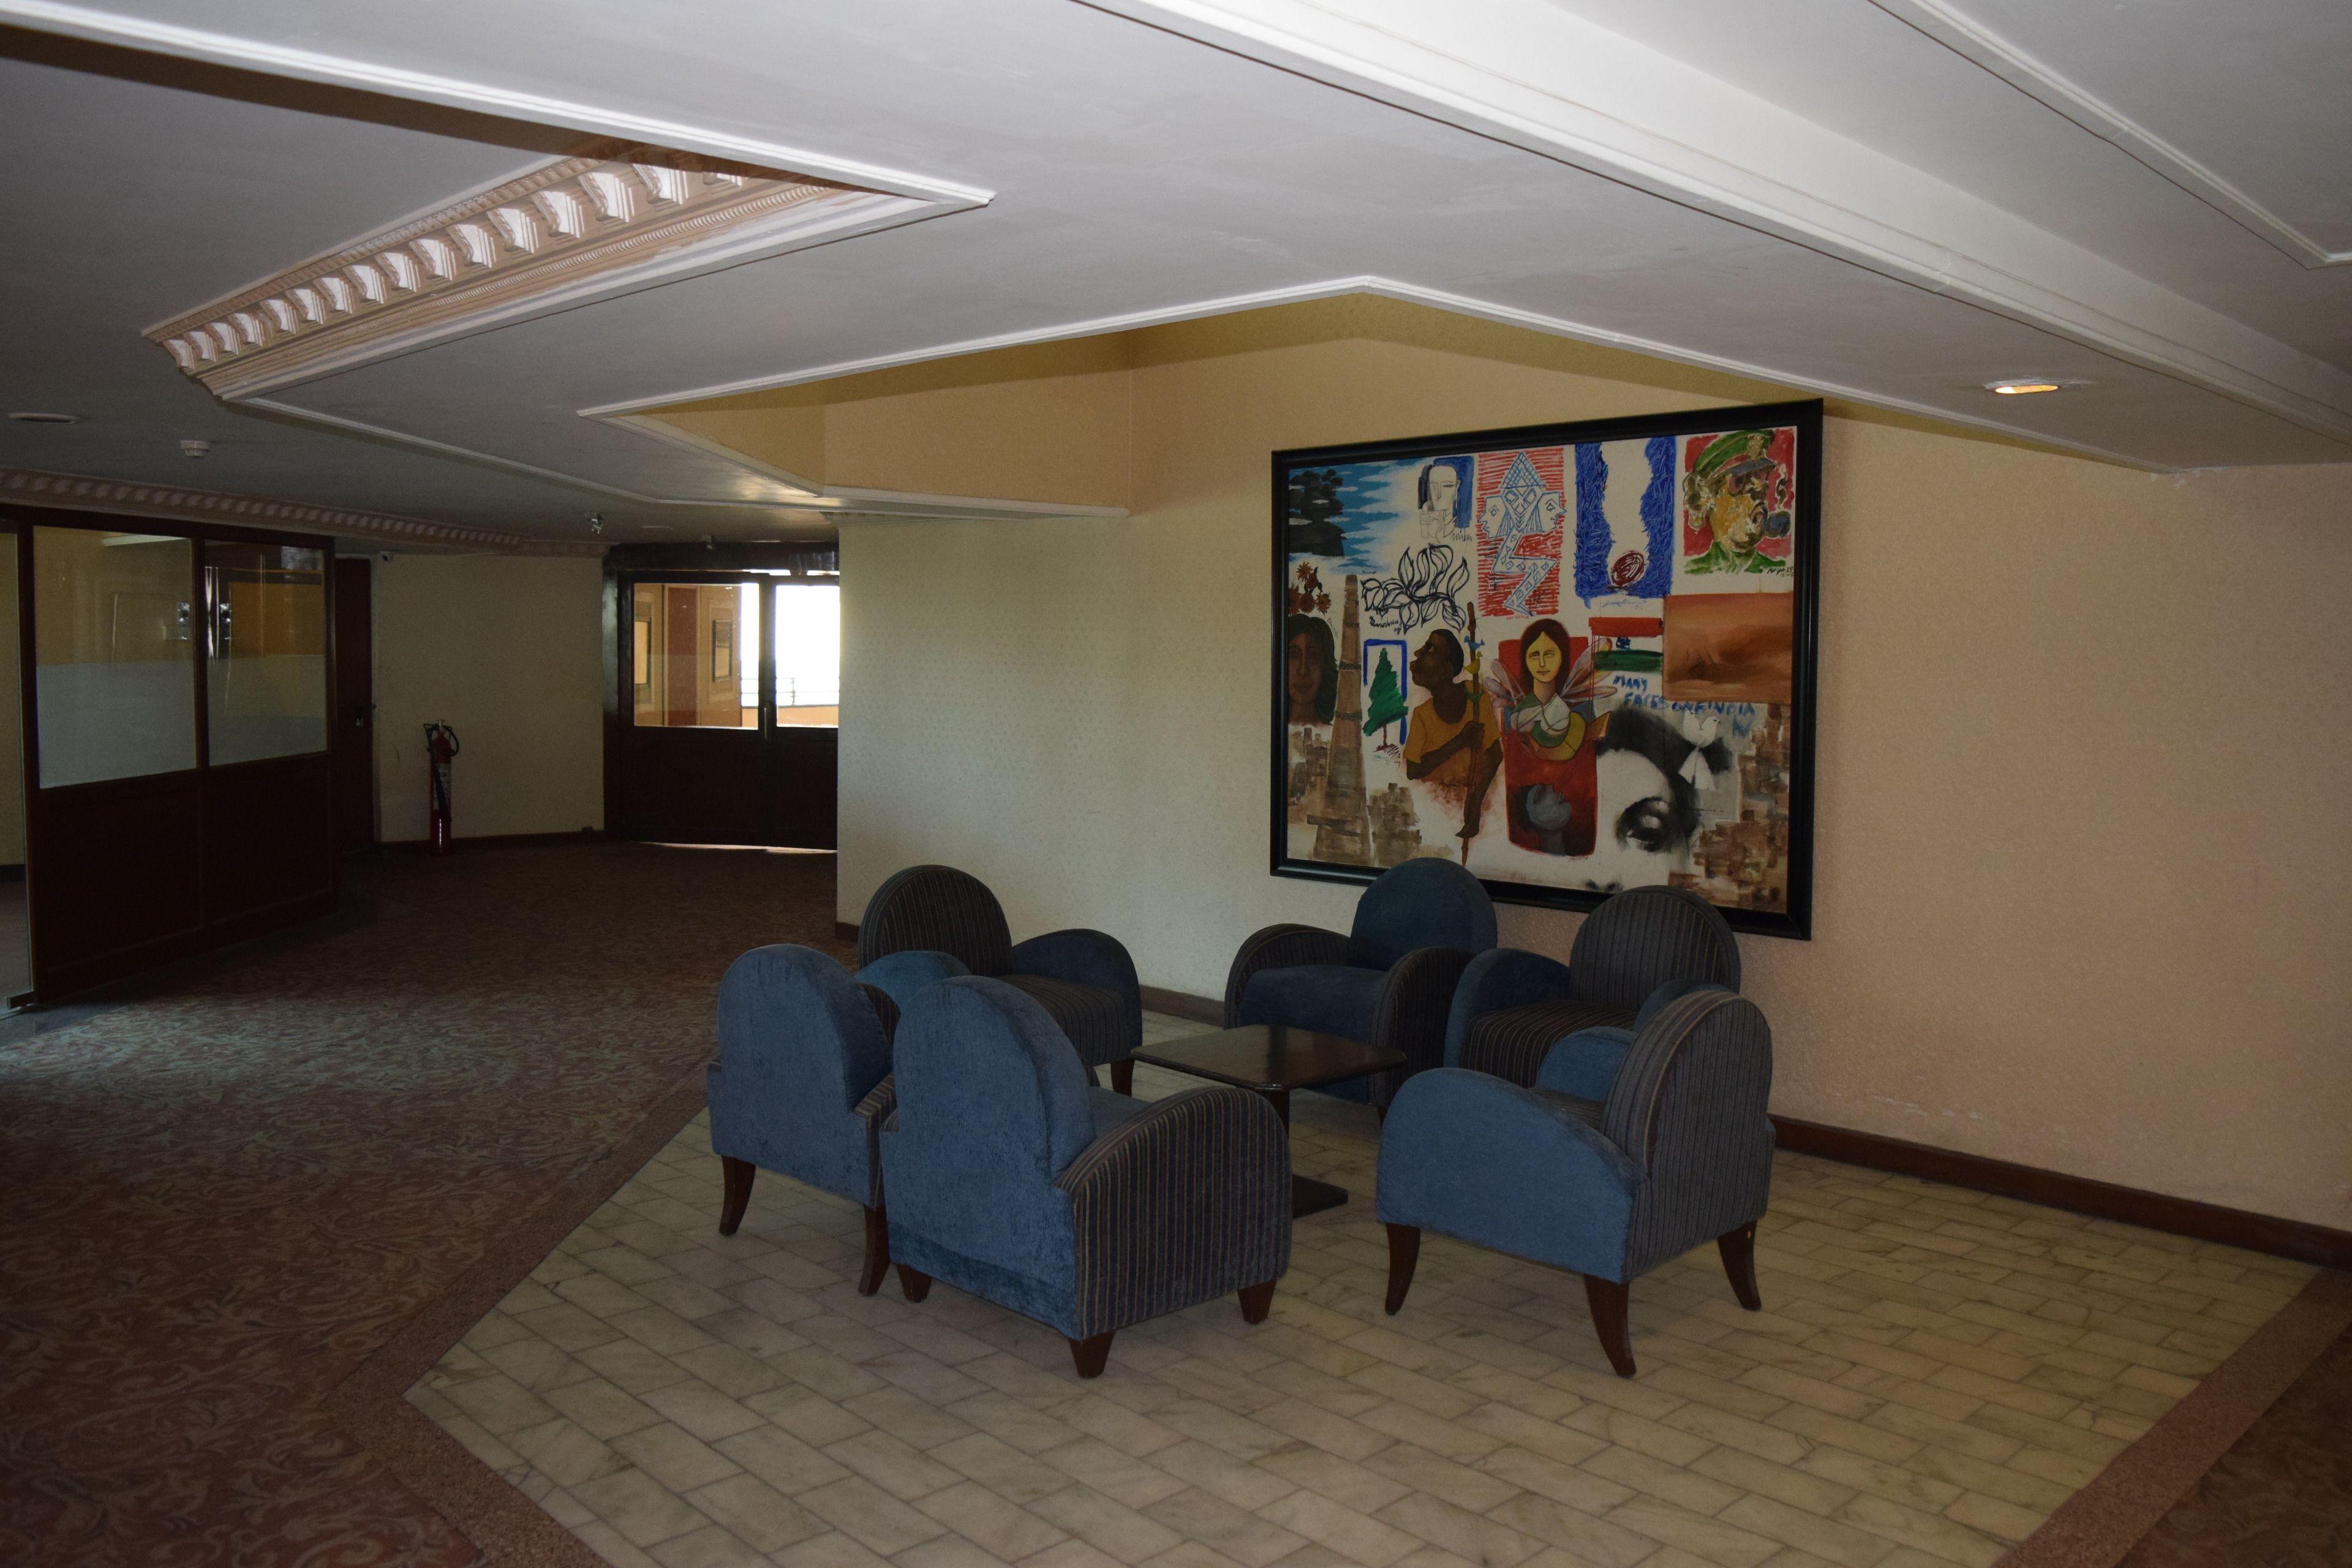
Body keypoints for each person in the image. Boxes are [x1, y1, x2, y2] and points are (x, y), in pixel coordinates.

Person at [1401, 628, 1501, 840]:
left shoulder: (1475, 694)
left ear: (1447, 669)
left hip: (1469, 804)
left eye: (1430, 649)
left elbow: (1494, 753)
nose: (1418, 654)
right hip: (1436, 811)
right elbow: (1414, 769)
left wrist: (1474, 803)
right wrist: (1460, 741)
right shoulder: (1422, 715)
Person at [1683, 430, 1792, 575]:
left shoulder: (1776, 570)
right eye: (1740, 485)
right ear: (1707, 498)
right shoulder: (1691, 571)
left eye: (1759, 492)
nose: (1755, 505)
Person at [1284, 613, 1337, 725]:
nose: (1303, 671)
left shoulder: (1334, 733)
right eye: (1294, 655)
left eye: (1313, 656)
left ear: (1325, 666)